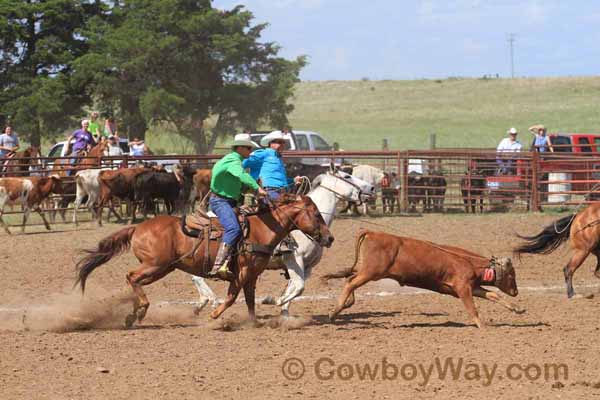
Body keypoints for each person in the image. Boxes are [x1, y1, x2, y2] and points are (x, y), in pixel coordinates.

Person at [208, 134, 267, 280]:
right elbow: (241, 175)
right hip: (220, 202)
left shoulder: (234, 161)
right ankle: (218, 265)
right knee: (233, 228)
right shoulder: (233, 161)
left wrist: (252, 192)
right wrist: (257, 188)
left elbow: (237, 184)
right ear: (239, 148)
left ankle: (236, 259)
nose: (250, 151)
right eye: (248, 148)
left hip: (229, 201)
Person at [242, 131, 302, 201]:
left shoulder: (278, 158)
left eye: (283, 142)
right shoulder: (263, 153)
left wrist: (293, 180)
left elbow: (281, 178)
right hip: (269, 191)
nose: (282, 144)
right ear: (271, 143)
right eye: (279, 142)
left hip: (283, 191)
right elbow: (243, 164)